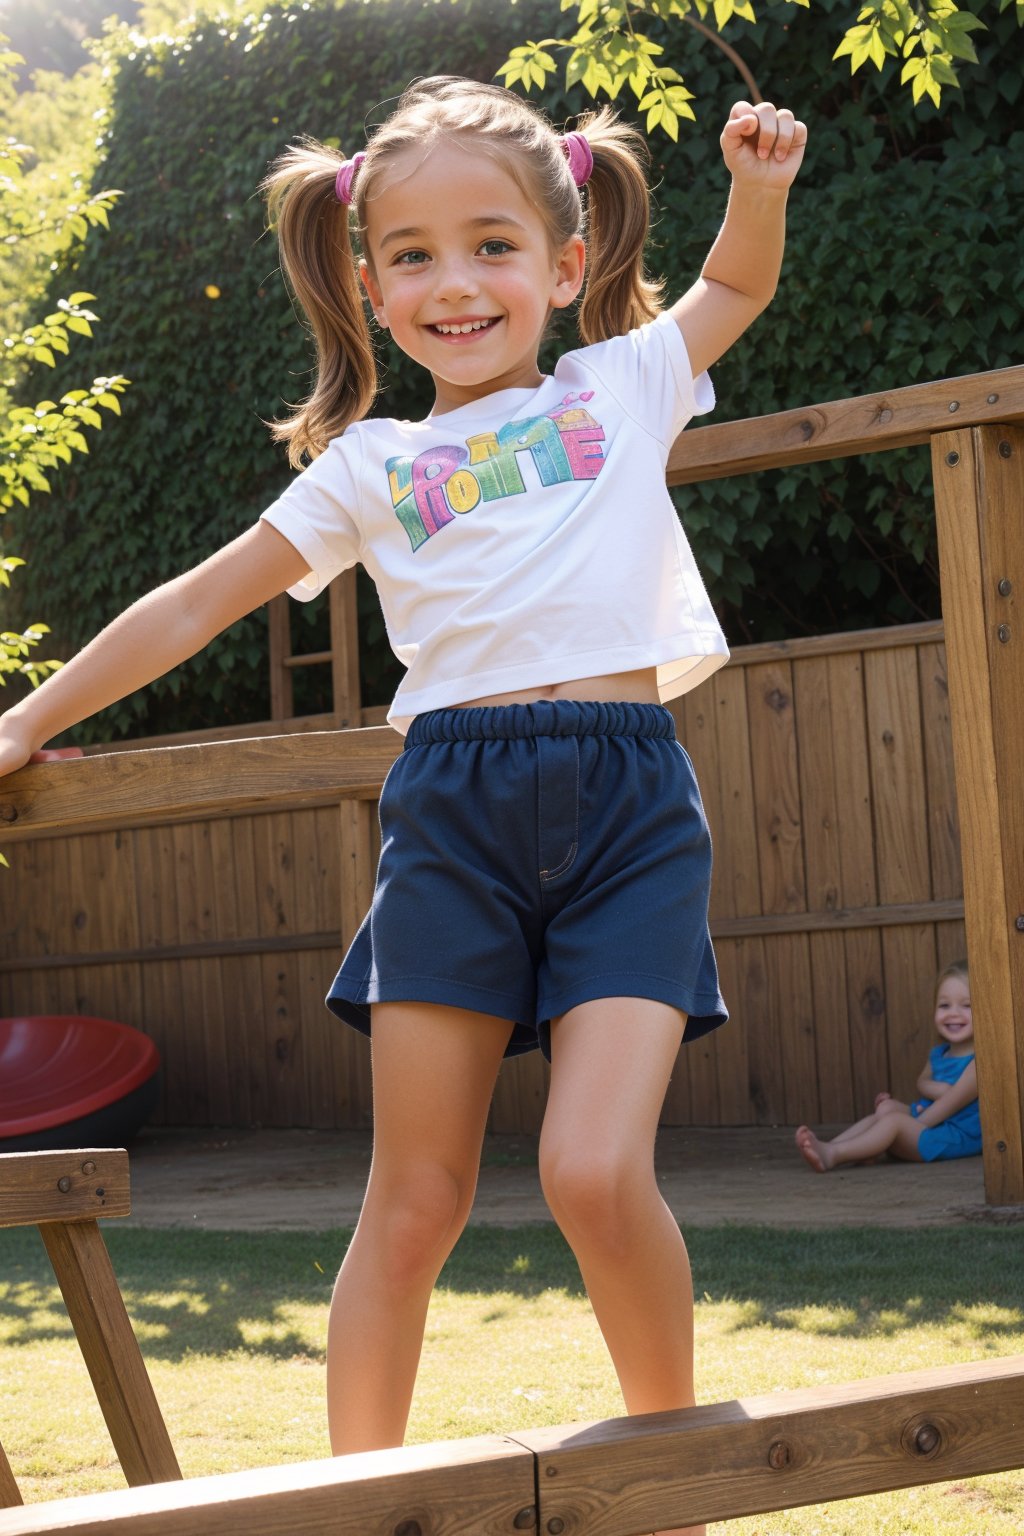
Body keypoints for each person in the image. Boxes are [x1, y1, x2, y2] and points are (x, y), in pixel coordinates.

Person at [0, 76, 806, 1535]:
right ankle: (356, 1507)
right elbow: (193, 605)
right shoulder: (366, 467)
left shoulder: (620, 384)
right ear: (369, 289)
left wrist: (759, 184)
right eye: (417, 256)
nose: (458, 283)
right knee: (414, 1199)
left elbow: (736, 285)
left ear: (565, 268)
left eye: (495, 245)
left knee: (588, 1167)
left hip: (630, 811)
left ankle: (670, 1486)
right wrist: (28, 717)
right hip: (453, 819)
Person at [796, 960, 980, 1173]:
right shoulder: (940, 1053)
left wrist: (909, 1123)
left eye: (967, 1006)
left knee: (893, 1121)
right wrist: (939, 1090)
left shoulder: (979, 1063)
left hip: (954, 1137)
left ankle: (834, 1154)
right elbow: (922, 1082)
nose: (953, 1013)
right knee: (886, 1108)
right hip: (931, 1121)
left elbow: (948, 1105)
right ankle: (832, 1146)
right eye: (944, 1005)